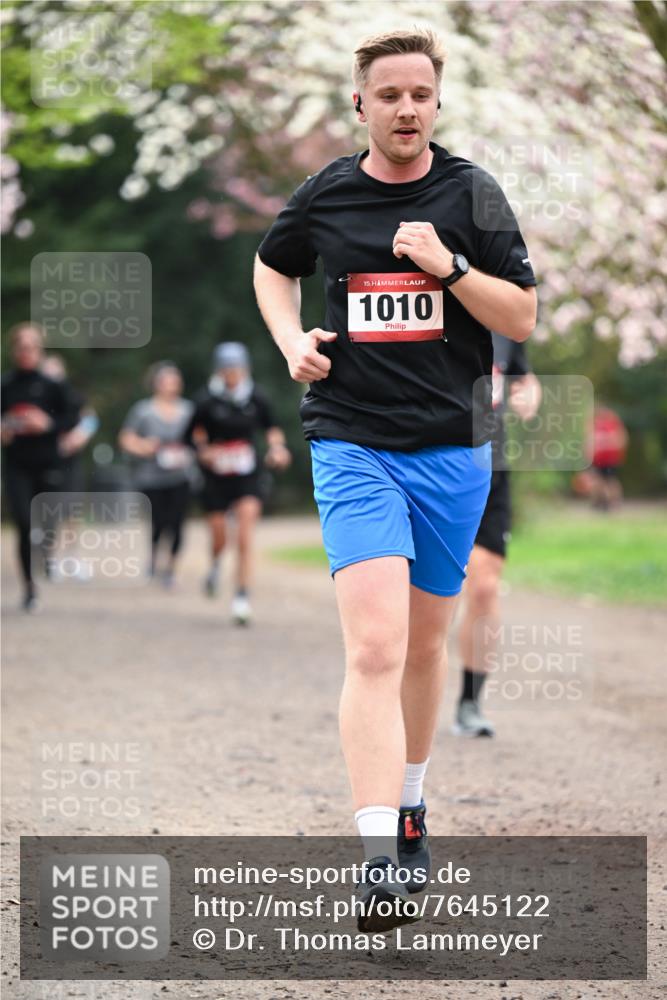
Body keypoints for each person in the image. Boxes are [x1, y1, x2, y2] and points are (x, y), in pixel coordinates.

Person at [254, 28, 536, 931]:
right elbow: (270, 266)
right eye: (389, 95)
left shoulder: (471, 193)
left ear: (436, 102)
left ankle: (411, 805)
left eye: (420, 93)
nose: (406, 108)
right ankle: (378, 853)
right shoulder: (326, 194)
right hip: (351, 441)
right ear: (360, 105)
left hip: (453, 448)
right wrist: (292, 340)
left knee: (421, 649)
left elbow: (522, 309)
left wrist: (448, 268)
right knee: (373, 648)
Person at [454, 332, 542, 738]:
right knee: (417, 591)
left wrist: (528, 393)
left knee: (485, 586)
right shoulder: (428, 296)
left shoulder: (505, 317)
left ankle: (470, 701)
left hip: (491, 462)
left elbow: (521, 375)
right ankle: (395, 693)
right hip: (426, 460)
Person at [184, 342, 291, 624]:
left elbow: (272, 429)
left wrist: (277, 449)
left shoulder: (256, 397)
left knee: (244, 535)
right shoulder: (206, 399)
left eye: (238, 369)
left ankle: (241, 597)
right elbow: (191, 435)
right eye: (227, 369)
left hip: (247, 473)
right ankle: (216, 564)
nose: (233, 374)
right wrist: (203, 451)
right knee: (220, 536)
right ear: (219, 371)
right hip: (216, 475)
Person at [1, 324, 79, 610]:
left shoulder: (53, 386)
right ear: (14, 351)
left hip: (48, 463)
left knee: (48, 520)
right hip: (17, 465)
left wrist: (47, 424)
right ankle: (29, 587)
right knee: (23, 523)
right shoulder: (5, 385)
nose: (26, 353)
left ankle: (47, 553)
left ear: (40, 351)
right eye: (21, 347)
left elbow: (72, 418)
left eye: (32, 347)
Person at [119, 362, 194, 588]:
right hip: (151, 477)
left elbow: (200, 437)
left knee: (178, 523)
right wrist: (143, 446)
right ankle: (153, 559)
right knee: (159, 522)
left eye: (175, 380)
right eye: (167, 380)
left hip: (181, 475)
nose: (171, 385)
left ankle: (171, 568)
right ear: (156, 384)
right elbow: (126, 438)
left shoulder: (189, 409)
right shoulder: (143, 410)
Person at [590, 405, 628, 511]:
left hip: (610, 458)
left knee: (610, 480)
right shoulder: (595, 424)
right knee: (598, 480)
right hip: (598, 458)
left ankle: (615, 502)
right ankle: (601, 502)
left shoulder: (613, 424)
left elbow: (621, 439)